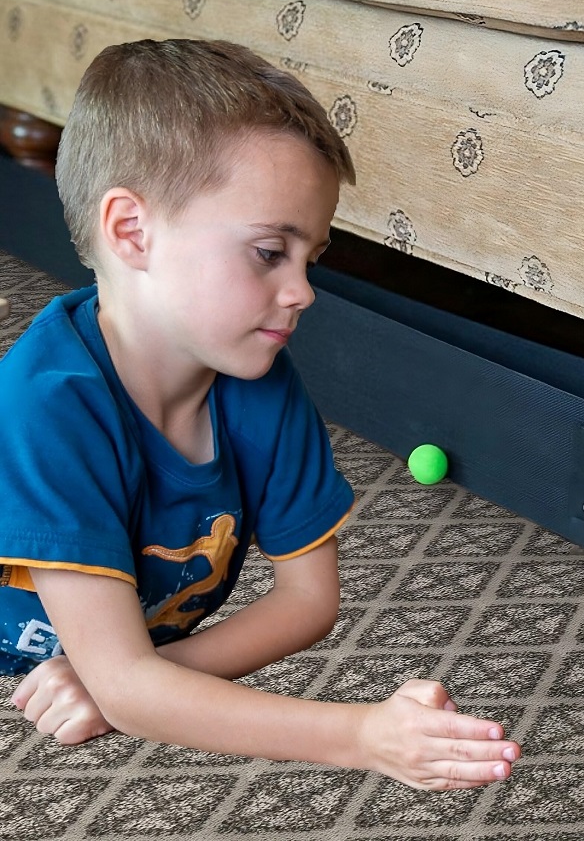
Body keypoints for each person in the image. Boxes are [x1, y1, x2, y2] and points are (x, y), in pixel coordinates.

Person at [0, 39, 520, 790]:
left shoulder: (260, 384)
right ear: (131, 232)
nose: (303, 290)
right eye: (269, 252)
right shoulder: (48, 406)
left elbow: (309, 601)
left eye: (310, 258)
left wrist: (136, 678)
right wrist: (364, 736)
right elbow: (128, 689)